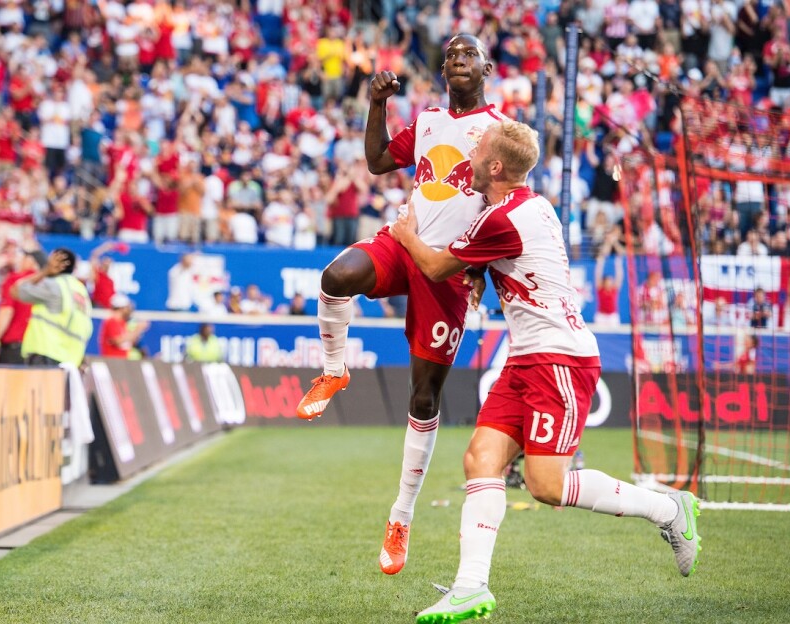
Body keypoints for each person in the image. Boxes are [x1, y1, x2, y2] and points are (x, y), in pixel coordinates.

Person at [389, 120, 701, 623]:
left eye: (478, 148)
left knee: (546, 485)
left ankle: (670, 510)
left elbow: (432, 267)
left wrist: (405, 234)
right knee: (480, 459)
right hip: (527, 355)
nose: (469, 151)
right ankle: (471, 588)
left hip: (559, 357)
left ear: (495, 166)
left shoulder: (503, 218)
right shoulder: (523, 206)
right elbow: (495, 261)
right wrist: (477, 274)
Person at [296, 33, 506, 576]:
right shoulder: (431, 120)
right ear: (443, 71)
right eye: (451, 55)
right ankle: (335, 371)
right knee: (336, 275)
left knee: (423, 397)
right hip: (403, 240)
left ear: (486, 67)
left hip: (450, 270)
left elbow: (501, 207)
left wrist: (480, 267)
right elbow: (375, 161)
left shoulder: (499, 130)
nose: (458, 60)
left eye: (468, 55)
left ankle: (401, 516)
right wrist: (377, 103)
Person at [11, 248, 93, 366]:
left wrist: (44, 272)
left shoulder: (54, 285)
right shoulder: (81, 291)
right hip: (71, 360)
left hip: (45, 353)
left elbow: (15, 291)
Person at [0, 248, 46, 364]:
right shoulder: (47, 287)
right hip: (38, 350)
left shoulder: (15, 280)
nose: (21, 260)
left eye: (25, 257)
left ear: (32, 261)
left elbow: (6, 312)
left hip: (14, 347)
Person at [99, 294, 149, 359]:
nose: (130, 309)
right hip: (113, 362)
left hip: (122, 362)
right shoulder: (111, 322)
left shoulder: (122, 323)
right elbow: (118, 341)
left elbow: (129, 342)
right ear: (121, 308)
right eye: (127, 307)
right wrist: (138, 329)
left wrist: (138, 331)